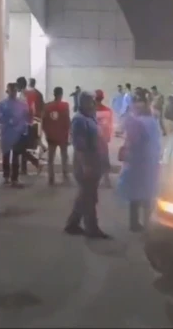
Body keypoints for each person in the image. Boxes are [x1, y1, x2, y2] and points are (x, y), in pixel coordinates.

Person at [65, 91, 110, 239]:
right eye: (91, 101)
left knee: (85, 195)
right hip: (86, 164)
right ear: (83, 102)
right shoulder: (79, 120)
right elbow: (79, 146)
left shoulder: (90, 117)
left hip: (94, 162)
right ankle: (92, 229)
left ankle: (72, 224)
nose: (94, 103)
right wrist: (86, 166)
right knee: (89, 197)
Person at [117, 91, 161, 232]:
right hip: (151, 163)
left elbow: (132, 143)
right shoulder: (153, 122)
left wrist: (127, 155)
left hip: (137, 163)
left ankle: (135, 223)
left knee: (135, 196)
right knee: (148, 195)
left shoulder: (135, 122)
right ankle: (148, 223)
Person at [0, 82, 29, 186]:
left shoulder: (22, 104)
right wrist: (9, 120)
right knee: (6, 155)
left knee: (16, 157)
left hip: (18, 134)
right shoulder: (1, 104)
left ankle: (15, 178)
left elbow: (26, 117)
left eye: (15, 90)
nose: (14, 92)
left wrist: (25, 129)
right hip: (6, 133)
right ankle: (6, 176)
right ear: (7, 91)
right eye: (12, 90)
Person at [42, 86, 70, 185]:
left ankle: (51, 177)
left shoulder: (47, 106)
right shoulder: (65, 106)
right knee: (64, 157)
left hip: (51, 137)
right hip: (63, 136)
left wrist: (46, 133)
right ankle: (65, 175)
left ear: (54, 94)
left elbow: (44, 122)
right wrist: (68, 134)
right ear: (61, 94)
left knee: (51, 158)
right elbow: (67, 121)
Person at [94, 89, 113, 187]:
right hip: (103, 138)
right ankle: (106, 178)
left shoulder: (90, 111)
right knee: (104, 157)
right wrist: (108, 136)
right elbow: (109, 125)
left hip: (93, 139)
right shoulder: (108, 110)